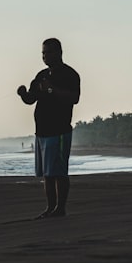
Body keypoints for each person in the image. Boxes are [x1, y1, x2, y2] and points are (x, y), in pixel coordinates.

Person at [16, 38, 81, 218]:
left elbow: (74, 98)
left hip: (59, 130)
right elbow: (31, 99)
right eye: (43, 53)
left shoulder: (70, 74)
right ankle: (50, 208)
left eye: (49, 52)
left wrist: (52, 90)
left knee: (59, 172)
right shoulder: (41, 75)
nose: (45, 56)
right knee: (47, 174)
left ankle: (60, 208)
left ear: (59, 52)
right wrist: (23, 94)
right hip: (42, 132)